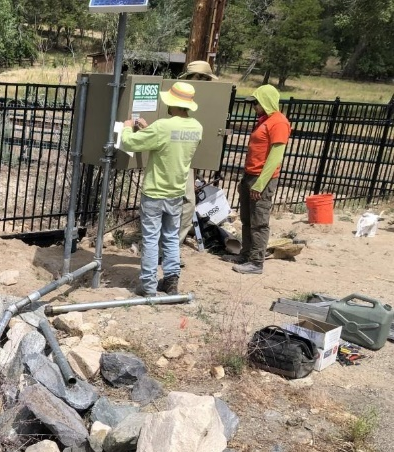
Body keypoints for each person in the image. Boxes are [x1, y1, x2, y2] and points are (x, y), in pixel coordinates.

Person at [121, 82, 203, 297]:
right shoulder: (196, 127)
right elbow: (172, 145)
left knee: (150, 239)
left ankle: (148, 286)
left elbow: (130, 143)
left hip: (155, 192)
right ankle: (171, 281)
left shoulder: (163, 126)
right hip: (176, 193)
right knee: (170, 237)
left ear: (172, 103)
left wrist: (127, 126)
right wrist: (149, 131)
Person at [227, 84, 291, 274]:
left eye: (256, 103)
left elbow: (275, 157)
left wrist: (260, 183)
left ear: (266, 101)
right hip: (250, 175)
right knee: (247, 219)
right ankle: (246, 255)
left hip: (261, 179)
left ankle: (256, 262)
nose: (253, 106)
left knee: (259, 222)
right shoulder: (265, 120)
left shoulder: (278, 122)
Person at [177, 61, 218, 246]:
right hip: (174, 160)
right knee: (175, 206)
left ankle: (172, 248)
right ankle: (167, 250)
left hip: (188, 162)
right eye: (202, 78)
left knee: (187, 206)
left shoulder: (205, 100)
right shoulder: (177, 95)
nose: (204, 82)